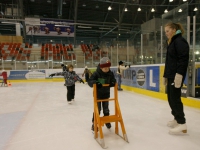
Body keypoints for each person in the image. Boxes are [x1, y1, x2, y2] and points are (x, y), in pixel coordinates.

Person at [163, 22, 189, 134]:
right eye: (165, 32)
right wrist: (166, 75)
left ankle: (182, 123)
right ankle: (177, 119)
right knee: (171, 98)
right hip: (170, 75)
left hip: (176, 75)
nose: (166, 34)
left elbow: (183, 60)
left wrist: (179, 75)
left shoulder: (179, 41)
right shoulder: (172, 42)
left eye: (168, 31)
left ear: (174, 30)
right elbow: (170, 61)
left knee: (175, 99)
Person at [88, 57, 116, 131]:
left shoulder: (110, 73)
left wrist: (113, 82)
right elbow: (90, 81)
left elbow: (113, 79)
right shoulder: (96, 73)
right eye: (105, 68)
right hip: (98, 95)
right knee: (98, 109)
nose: (107, 69)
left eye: (108, 68)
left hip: (106, 94)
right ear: (101, 67)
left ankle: (107, 121)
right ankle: (94, 123)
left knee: (106, 109)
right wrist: (96, 83)